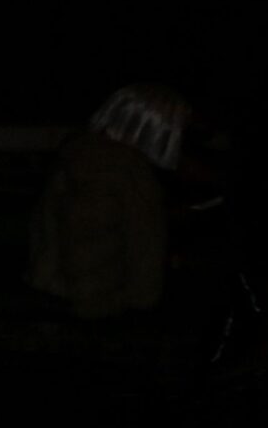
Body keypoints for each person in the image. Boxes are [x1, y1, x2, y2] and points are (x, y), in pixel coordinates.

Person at [29, 83, 188, 322]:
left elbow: (44, 230)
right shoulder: (133, 174)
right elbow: (145, 246)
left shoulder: (73, 156)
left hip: (56, 293)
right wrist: (144, 304)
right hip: (106, 303)